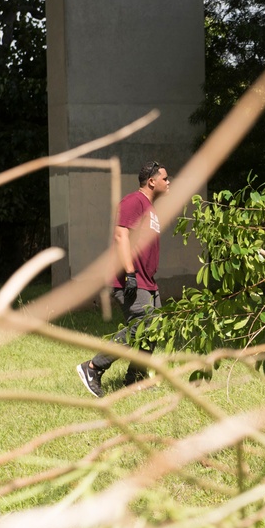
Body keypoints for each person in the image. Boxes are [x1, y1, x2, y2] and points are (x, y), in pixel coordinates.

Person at [76, 160, 170, 397]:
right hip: (130, 278)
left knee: (154, 328)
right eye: (165, 178)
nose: (169, 182)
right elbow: (120, 236)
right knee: (140, 327)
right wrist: (129, 273)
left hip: (147, 281)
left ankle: (135, 378)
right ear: (151, 181)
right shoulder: (133, 201)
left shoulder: (150, 208)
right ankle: (93, 368)